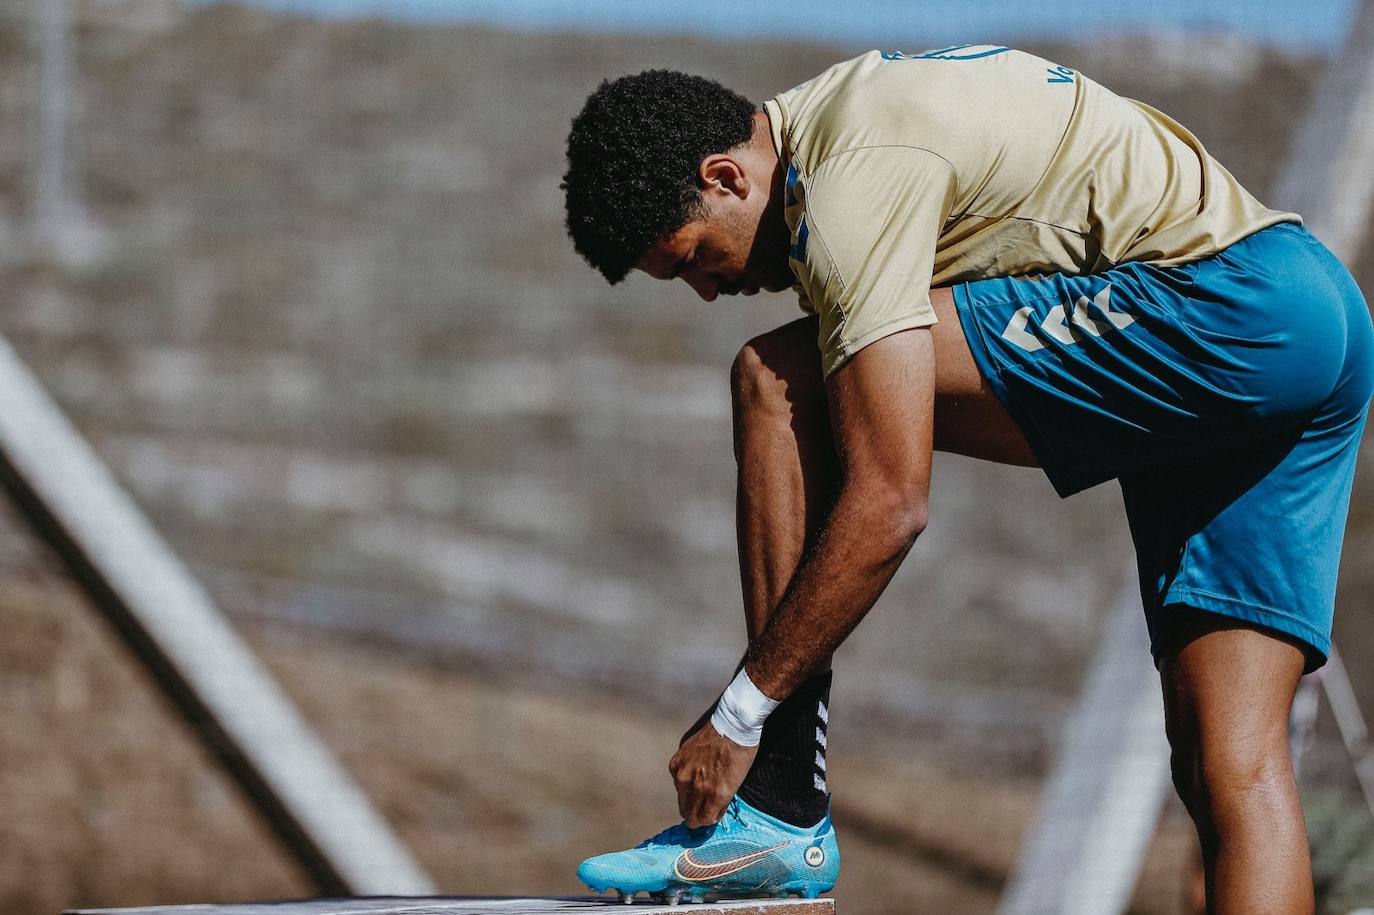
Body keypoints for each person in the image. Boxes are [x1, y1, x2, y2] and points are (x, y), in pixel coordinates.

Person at [560, 45, 1373, 911]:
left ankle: (781, 806)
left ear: (725, 176)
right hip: (1312, 308)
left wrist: (738, 716)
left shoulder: (847, 184)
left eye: (690, 258)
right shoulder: (844, 117)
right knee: (1230, 765)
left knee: (776, 379)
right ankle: (782, 809)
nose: (706, 290)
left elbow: (892, 503)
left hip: (1230, 309)